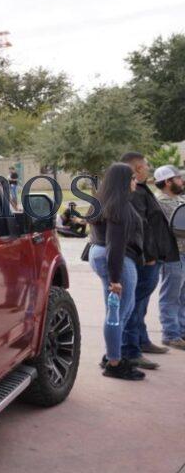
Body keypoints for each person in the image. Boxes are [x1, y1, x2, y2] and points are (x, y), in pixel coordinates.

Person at [120, 152, 178, 368]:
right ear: (136, 169)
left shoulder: (141, 188)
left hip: (152, 257)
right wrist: (148, 255)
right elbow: (139, 227)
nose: (148, 168)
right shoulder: (133, 192)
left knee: (140, 305)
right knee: (134, 306)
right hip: (145, 259)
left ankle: (141, 341)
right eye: (145, 165)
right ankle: (131, 351)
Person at [89, 162, 146, 380]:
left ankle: (112, 355)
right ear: (123, 182)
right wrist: (115, 278)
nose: (136, 181)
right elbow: (116, 244)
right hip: (116, 260)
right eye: (132, 178)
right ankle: (114, 363)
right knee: (119, 313)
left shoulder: (104, 201)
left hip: (103, 254)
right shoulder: (119, 206)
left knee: (118, 311)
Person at [153, 164, 185, 350]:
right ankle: (171, 334)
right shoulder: (162, 203)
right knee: (171, 295)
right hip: (173, 255)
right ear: (168, 182)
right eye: (178, 178)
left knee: (182, 296)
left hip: (183, 254)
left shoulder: (179, 199)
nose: (182, 181)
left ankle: (181, 331)